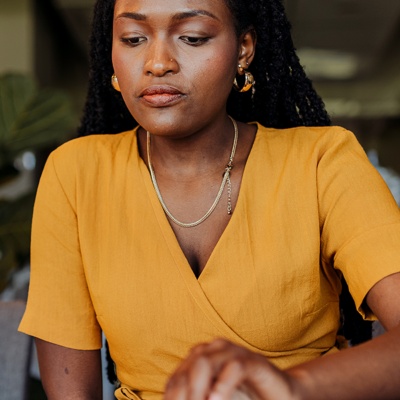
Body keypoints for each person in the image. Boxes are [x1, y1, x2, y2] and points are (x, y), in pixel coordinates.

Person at [19, 0, 400, 399]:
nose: (158, 63)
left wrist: (289, 388)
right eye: (133, 39)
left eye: (192, 38)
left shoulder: (323, 162)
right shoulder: (76, 174)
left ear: (244, 49)